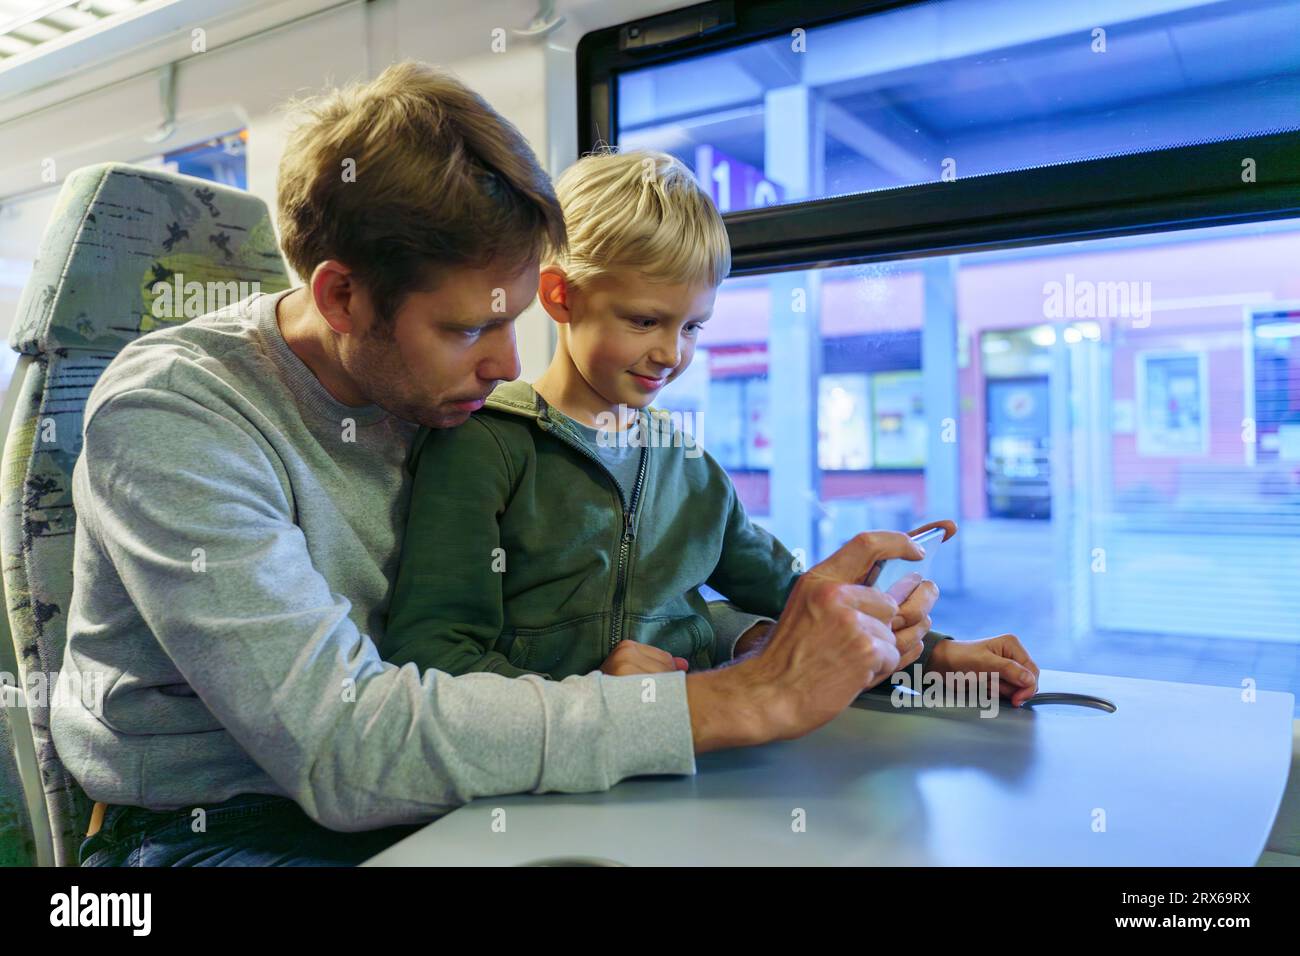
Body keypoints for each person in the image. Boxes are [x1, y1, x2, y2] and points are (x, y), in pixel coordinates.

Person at [52, 61, 1037, 868]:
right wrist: (734, 696)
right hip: (219, 825)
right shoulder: (174, 412)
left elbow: (604, 587)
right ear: (342, 297)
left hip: (422, 787)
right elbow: (344, 742)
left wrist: (848, 644)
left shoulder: (446, 396)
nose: (505, 364)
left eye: (513, 318)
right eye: (468, 327)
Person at [382, 148, 966, 684]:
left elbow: (794, 597)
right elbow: (434, 653)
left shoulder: (692, 468)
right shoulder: (484, 447)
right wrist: (591, 698)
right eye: (643, 321)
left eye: (691, 327)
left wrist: (936, 654)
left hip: (699, 755)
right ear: (561, 297)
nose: (671, 354)